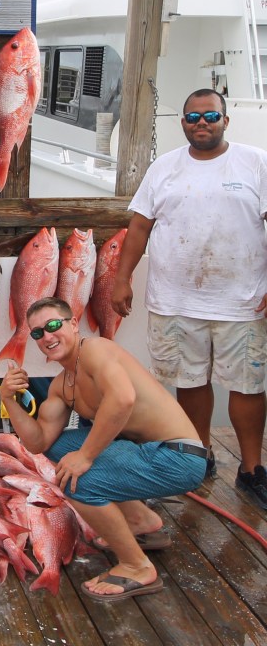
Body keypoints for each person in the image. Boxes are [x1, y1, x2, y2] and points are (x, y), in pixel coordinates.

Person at [111, 88, 267, 509]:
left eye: (211, 115)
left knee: (248, 386)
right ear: (182, 123)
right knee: (190, 382)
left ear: (226, 121)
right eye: (193, 117)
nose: (202, 123)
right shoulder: (165, 167)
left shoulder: (255, 162)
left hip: (243, 300)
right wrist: (121, 278)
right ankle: (201, 457)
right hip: (174, 300)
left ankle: (252, 469)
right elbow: (140, 226)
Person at [0, 297, 206, 602]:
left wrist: (85, 457)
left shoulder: (95, 350)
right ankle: (141, 521)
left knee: (78, 481)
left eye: (53, 325)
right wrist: (8, 399)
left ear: (72, 324)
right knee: (59, 446)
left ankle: (137, 567)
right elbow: (38, 442)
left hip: (180, 458)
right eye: (37, 333)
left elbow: (123, 399)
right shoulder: (62, 383)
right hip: (147, 452)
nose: (47, 336)